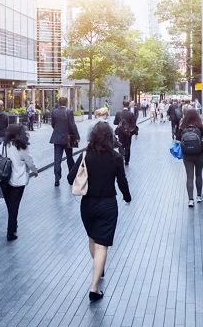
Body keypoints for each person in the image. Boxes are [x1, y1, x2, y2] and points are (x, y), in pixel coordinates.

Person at [68, 121, 131, 302]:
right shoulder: (116, 157)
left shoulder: (85, 155)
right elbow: (122, 182)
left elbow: (70, 177)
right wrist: (127, 197)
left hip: (87, 204)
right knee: (102, 245)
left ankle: (98, 265)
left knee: (92, 239)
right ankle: (94, 289)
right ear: (111, 137)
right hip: (108, 204)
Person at [0, 124, 38, 241]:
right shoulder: (22, 147)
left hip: (4, 179)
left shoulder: (4, 145)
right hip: (17, 180)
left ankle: (13, 225)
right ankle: (11, 231)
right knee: (14, 206)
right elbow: (29, 161)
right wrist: (35, 171)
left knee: (10, 205)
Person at [176, 108, 203, 207]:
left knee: (189, 176)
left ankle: (190, 200)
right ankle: (199, 196)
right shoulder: (201, 127)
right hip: (199, 154)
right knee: (199, 175)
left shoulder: (182, 127)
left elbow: (177, 141)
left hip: (187, 156)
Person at [50, 97, 80, 186]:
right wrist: (77, 136)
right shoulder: (69, 112)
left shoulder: (54, 111)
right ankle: (71, 176)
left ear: (59, 103)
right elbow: (72, 125)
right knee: (69, 158)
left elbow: (53, 124)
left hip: (57, 138)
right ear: (66, 102)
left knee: (57, 159)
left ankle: (57, 179)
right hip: (68, 138)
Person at [113, 101, 138, 166]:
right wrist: (136, 133)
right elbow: (133, 124)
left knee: (120, 144)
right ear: (128, 105)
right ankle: (127, 160)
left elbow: (115, 122)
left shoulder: (118, 113)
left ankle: (121, 154)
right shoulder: (131, 114)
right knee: (127, 145)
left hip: (120, 132)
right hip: (128, 132)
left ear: (123, 105)